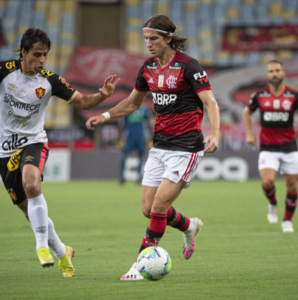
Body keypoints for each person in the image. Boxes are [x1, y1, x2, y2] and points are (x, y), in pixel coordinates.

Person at [0, 28, 119, 277]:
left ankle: (41, 246)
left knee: (32, 185)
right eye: (37, 54)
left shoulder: (50, 81)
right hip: (4, 150)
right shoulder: (4, 71)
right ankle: (63, 252)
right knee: (28, 210)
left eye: (45, 55)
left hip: (34, 141)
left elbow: (84, 102)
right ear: (23, 52)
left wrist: (102, 95)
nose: (42, 60)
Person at [86, 15, 220, 281]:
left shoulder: (188, 66)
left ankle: (138, 265)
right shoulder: (147, 68)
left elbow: (211, 102)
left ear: (168, 38)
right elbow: (133, 103)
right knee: (148, 209)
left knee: (159, 207)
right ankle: (189, 225)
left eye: (154, 39)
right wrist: (105, 116)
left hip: (186, 148)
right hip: (159, 147)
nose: (148, 44)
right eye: (146, 39)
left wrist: (215, 134)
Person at [243, 59, 298, 233]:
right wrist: (250, 133)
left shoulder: (294, 95)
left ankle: (287, 221)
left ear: (283, 73)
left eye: (277, 70)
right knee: (268, 182)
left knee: (292, 187)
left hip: (289, 147)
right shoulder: (260, 95)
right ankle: (273, 203)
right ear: (267, 75)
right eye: (270, 71)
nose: (274, 74)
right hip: (268, 147)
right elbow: (247, 112)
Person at [118, 105, 152, 185]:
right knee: (124, 154)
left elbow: (148, 123)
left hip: (140, 136)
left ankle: (139, 178)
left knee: (140, 155)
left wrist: (150, 136)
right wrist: (121, 137)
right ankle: (121, 177)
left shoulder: (144, 109)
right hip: (130, 136)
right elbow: (123, 124)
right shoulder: (128, 108)